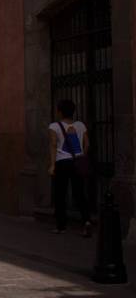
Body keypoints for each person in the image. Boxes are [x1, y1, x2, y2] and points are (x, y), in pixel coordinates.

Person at [48, 99, 91, 236]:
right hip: (77, 161)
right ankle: (87, 221)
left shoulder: (54, 126)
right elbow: (87, 144)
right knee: (79, 194)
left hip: (62, 162)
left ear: (59, 112)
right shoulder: (80, 125)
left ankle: (61, 226)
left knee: (60, 194)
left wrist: (52, 164)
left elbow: (53, 145)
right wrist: (81, 156)